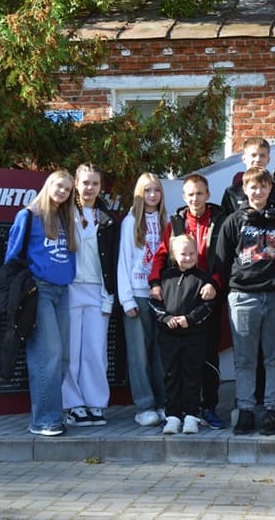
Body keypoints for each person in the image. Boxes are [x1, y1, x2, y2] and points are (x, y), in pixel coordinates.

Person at [215, 168, 275, 436]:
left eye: (263, 186)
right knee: (245, 359)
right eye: (253, 187)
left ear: (270, 189)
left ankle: (272, 410)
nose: (258, 191)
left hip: (274, 297)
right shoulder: (233, 221)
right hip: (242, 296)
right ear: (245, 190)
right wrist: (230, 291)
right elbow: (222, 260)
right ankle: (246, 410)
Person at [148, 173, 227, 430]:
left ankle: (208, 408)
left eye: (200, 193)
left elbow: (224, 258)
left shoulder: (220, 219)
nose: (195, 198)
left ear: (208, 194)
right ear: (184, 197)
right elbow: (161, 255)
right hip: (179, 296)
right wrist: (155, 282)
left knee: (207, 357)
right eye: (190, 194)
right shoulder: (175, 223)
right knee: (176, 363)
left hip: (208, 295)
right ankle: (179, 410)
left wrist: (214, 283)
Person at [4, 170, 77, 437]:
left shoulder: (65, 217)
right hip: (40, 291)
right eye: (59, 186)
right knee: (47, 355)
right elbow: (12, 258)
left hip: (63, 291)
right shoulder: (28, 215)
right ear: (48, 185)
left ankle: (53, 414)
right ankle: (44, 420)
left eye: (68, 189)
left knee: (63, 356)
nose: (62, 192)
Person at [61, 163, 119, 428]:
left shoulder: (107, 219)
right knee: (71, 351)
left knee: (95, 351)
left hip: (98, 290)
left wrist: (110, 295)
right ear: (76, 183)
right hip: (70, 289)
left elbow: (113, 261)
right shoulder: (63, 214)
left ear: (100, 186)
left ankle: (96, 402)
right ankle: (73, 405)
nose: (90, 188)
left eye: (95, 183)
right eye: (85, 182)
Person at [150, 235, 217, 435]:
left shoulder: (204, 279)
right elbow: (154, 303)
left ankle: (191, 415)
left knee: (192, 375)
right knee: (171, 375)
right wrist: (166, 318)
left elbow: (208, 305)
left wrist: (190, 319)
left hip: (194, 337)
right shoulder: (165, 278)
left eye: (192, 253)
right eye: (183, 254)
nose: (188, 258)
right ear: (173, 255)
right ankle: (173, 416)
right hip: (169, 336)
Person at [117, 173, 167, 426]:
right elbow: (124, 261)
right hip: (137, 293)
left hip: (161, 296)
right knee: (139, 355)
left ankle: (163, 403)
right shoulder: (130, 222)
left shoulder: (167, 220)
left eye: (156, 190)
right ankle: (144, 406)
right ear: (139, 194)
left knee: (160, 353)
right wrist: (126, 299)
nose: (152, 195)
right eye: (147, 190)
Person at [221, 137, 275, 215]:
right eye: (253, 155)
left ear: (268, 159)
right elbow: (227, 221)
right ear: (244, 159)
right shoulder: (232, 193)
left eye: (262, 155)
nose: (258, 160)